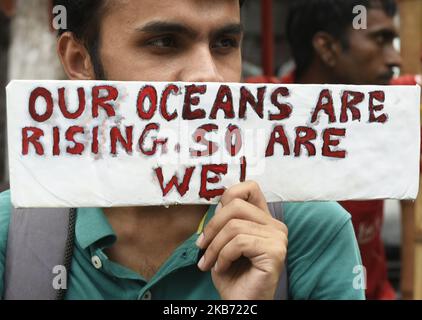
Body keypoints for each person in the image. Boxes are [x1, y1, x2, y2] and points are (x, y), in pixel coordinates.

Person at [0, 0, 365, 300]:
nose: (209, 77)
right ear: (80, 61)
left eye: (224, 43)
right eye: (164, 42)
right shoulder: (12, 231)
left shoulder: (312, 229)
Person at [284, 0, 402, 299]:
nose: (395, 58)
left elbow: (410, 194)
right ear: (327, 47)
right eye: (381, 39)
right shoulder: (253, 120)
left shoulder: (396, 113)